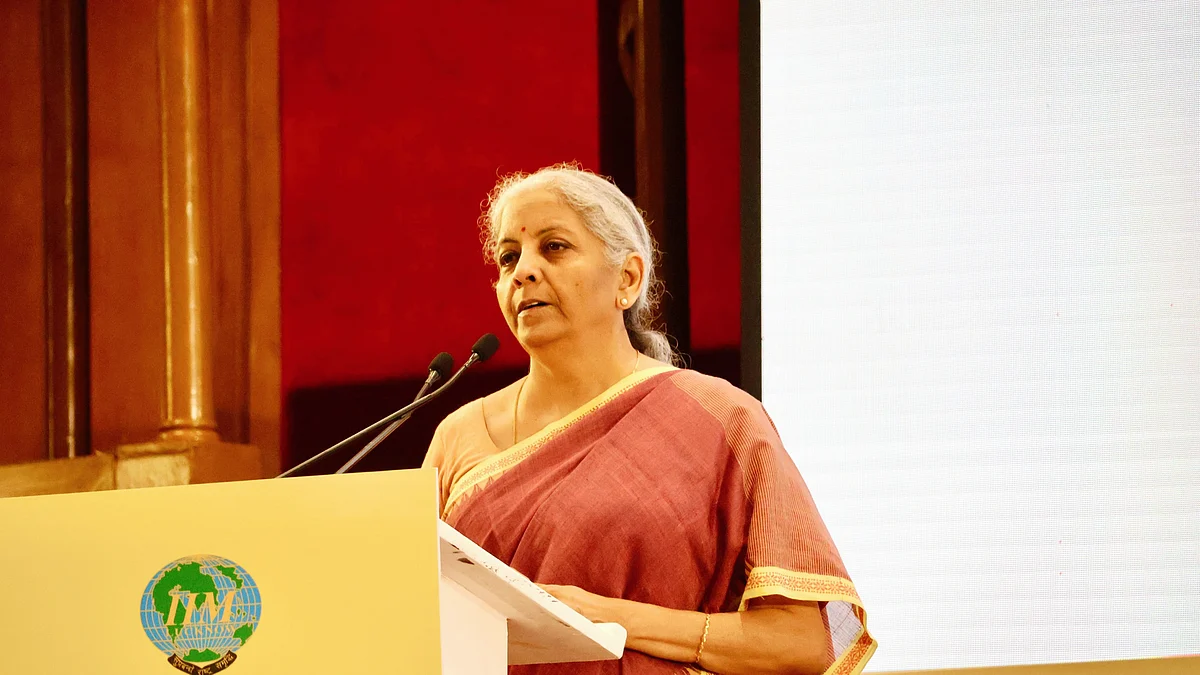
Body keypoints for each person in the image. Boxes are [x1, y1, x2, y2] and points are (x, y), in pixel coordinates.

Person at [423, 164, 876, 674]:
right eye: (509, 257)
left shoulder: (721, 420)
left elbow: (800, 644)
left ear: (628, 278)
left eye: (554, 247)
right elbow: (414, 621)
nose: (523, 271)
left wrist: (614, 620)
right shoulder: (456, 436)